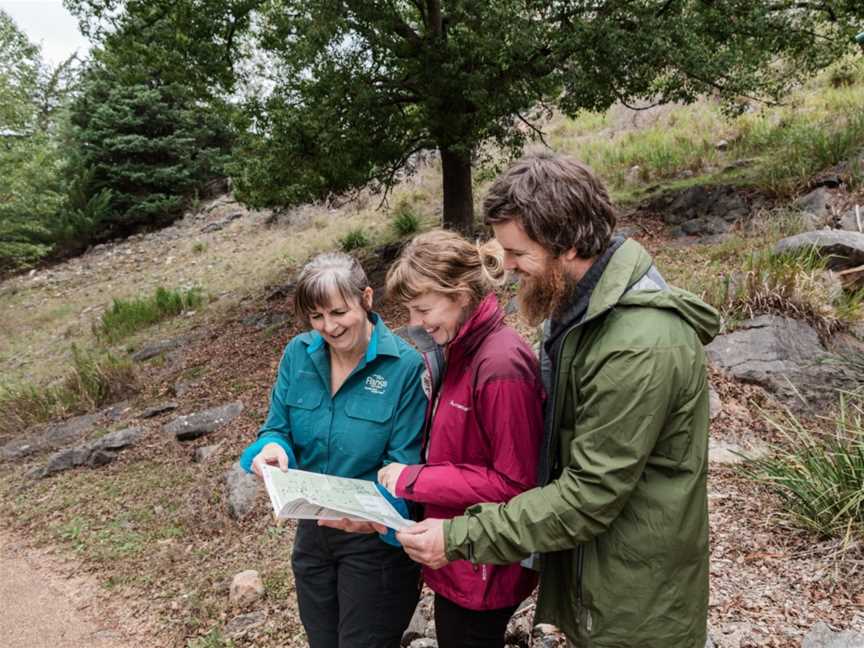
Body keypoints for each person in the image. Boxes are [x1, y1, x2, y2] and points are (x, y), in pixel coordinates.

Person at [396, 153, 721, 648]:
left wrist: (458, 536)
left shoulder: (636, 345)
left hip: (638, 603)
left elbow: (588, 496)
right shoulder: (584, 316)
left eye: (516, 252)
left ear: (566, 243)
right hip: (604, 578)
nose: (504, 267)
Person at [238, 251, 427, 648]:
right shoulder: (298, 354)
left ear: (367, 299)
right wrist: (271, 448)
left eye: (339, 312)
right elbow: (276, 427)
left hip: (374, 544)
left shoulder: (406, 367)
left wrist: (372, 516)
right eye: (316, 317)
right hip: (312, 537)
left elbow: (406, 466)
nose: (329, 327)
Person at [378, 230, 544, 648]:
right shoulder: (458, 348)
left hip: (484, 570)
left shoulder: (500, 363)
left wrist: (413, 479)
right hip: (460, 555)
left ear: (459, 293)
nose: (415, 324)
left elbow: (514, 484)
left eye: (422, 309)